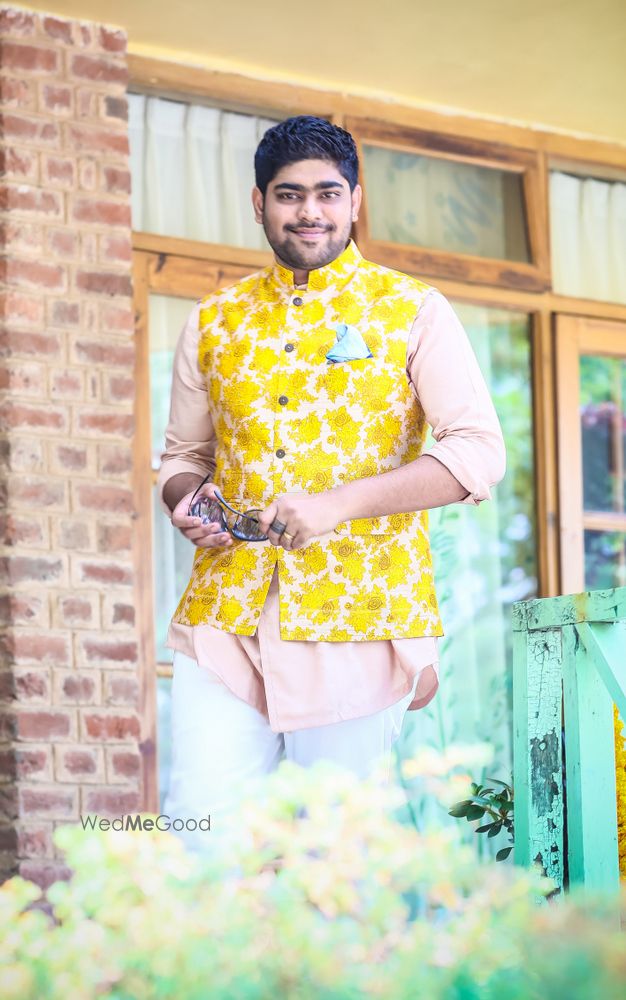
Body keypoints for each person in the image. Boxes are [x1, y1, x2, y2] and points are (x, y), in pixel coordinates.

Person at [157, 116, 505, 853]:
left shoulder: (413, 310)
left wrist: (338, 505)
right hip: (225, 615)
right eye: (289, 195)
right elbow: (182, 456)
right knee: (203, 839)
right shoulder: (213, 322)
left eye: (326, 193)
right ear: (259, 204)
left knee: (336, 858)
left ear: (354, 201)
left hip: (359, 610)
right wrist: (185, 498)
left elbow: (478, 453)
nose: (308, 212)